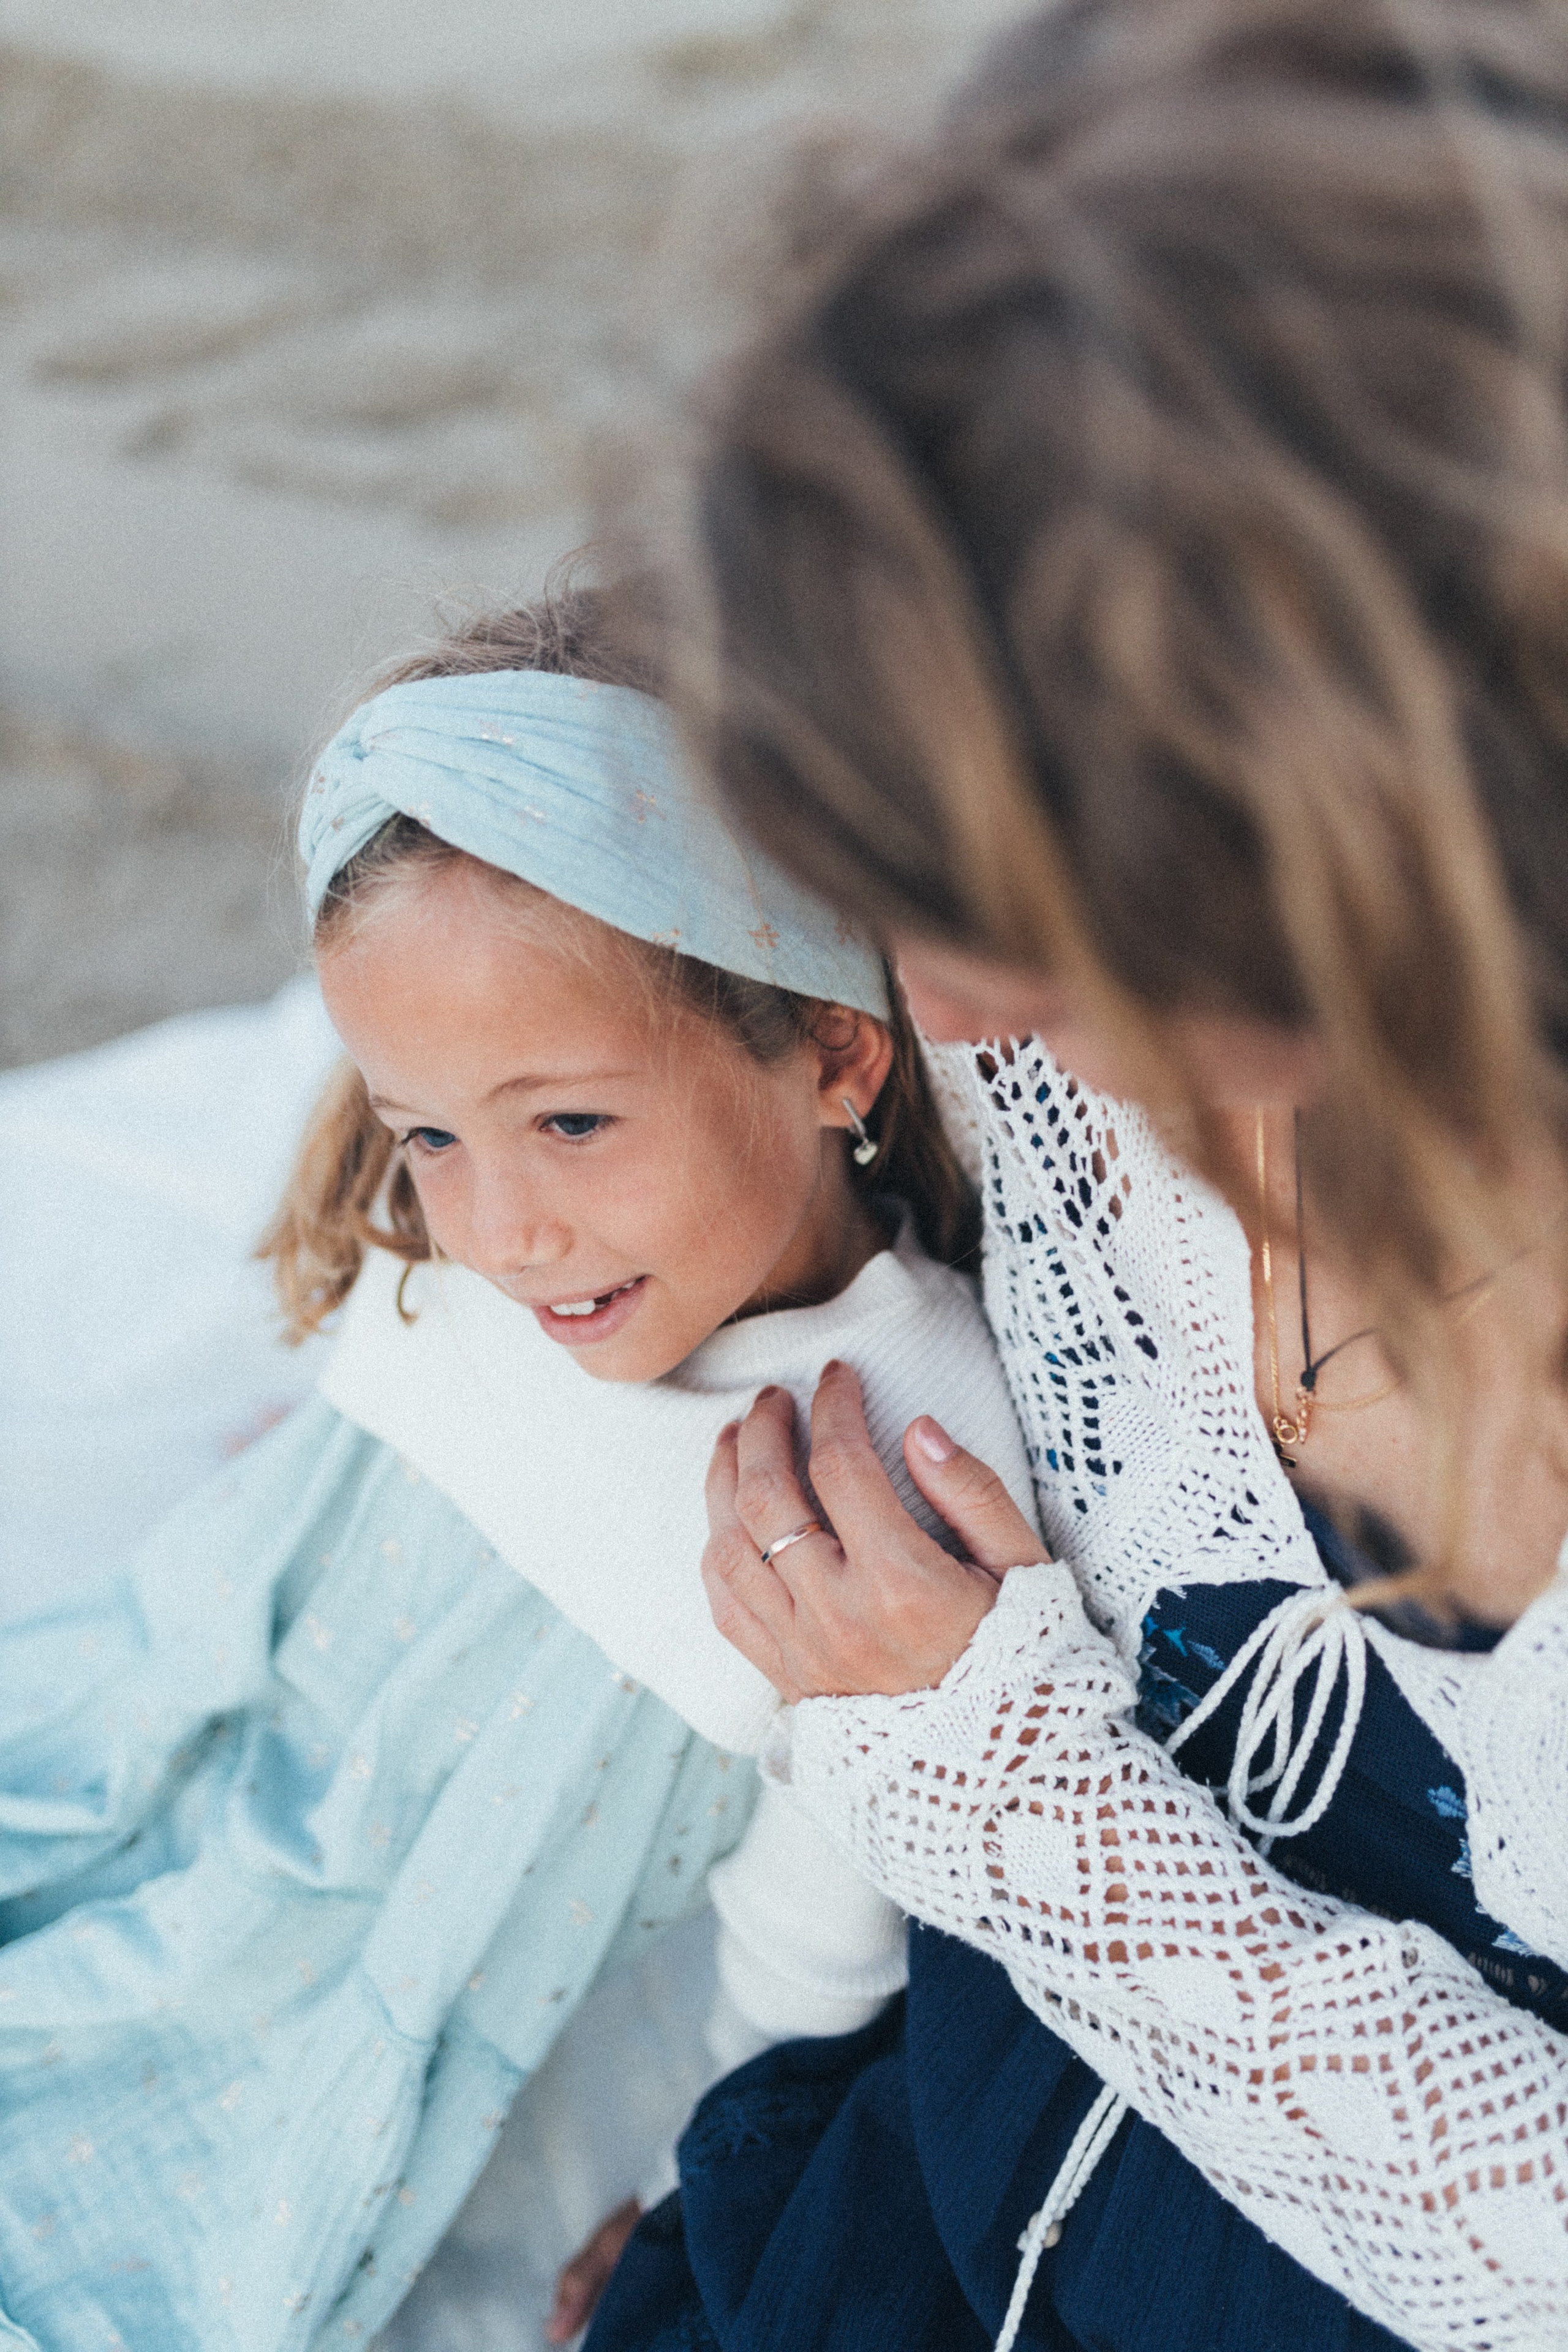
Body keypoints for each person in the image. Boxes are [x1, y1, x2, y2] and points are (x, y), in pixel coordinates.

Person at [584, 5, 1568, 2349]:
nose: (968, 1011)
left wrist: (1018, 1797)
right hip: (1020, 2075)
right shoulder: (1060, 1011)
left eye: (1038, 909)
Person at [0, 589, 1038, 2350]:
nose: (499, 1225)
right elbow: (295, 1553)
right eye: (429, 1132)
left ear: (831, 1049)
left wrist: (701, 2167)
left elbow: (825, 1931)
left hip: (364, 1969)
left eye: (569, 1121)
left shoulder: (886, 1450)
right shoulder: (477, 1247)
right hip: (190, 1747)